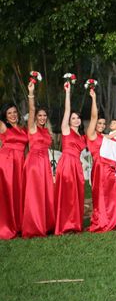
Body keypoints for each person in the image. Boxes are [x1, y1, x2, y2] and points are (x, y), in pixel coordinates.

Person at [86, 88, 116, 233]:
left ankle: (112, 219)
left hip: (110, 168)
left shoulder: (106, 136)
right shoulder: (92, 134)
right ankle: (102, 220)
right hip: (99, 168)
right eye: (99, 123)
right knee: (100, 195)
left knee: (111, 195)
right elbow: (94, 117)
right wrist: (94, 99)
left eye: (103, 124)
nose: (101, 126)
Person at [22, 81, 55, 238]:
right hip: (34, 163)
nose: (42, 117)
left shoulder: (47, 131)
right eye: (39, 116)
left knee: (45, 193)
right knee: (35, 193)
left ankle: (46, 224)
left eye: (44, 116)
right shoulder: (32, 127)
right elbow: (31, 108)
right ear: (35, 117)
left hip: (45, 164)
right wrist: (31, 94)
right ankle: (34, 225)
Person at [54, 82, 86, 235]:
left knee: (76, 194)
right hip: (67, 163)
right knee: (67, 194)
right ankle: (65, 225)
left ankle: (75, 223)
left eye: (78, 118)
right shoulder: (66, 130)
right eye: (73, 118)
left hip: (77, 165)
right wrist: (67, 93)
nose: (76, 120)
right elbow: (67, 110)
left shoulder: (82, 136)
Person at [0, 101, 28, 239]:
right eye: (9, 113)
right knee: (8, 193)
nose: (12, 115)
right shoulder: (4, 127)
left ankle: (18, 224)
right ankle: (7, 226)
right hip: (6, 163)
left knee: (19, 192)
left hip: (20, 162)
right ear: (5, 116)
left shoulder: (24, 129)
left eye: (14, 112)